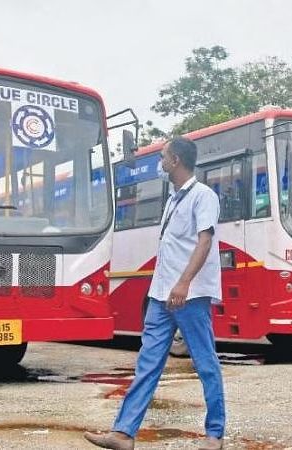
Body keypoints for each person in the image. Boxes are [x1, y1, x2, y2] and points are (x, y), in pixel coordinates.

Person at [84, 137, 225, 450]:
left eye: (162, 157)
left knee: (205, 363)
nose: (160, 162)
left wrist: (184, 283)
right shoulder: (173, 198)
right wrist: (162, 289)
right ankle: (123, 434)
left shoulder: (203, 196)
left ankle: (214, 434)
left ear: (175, 160)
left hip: (189, 295)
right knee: (147, 364)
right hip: (161, 296)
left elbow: (205, 242)